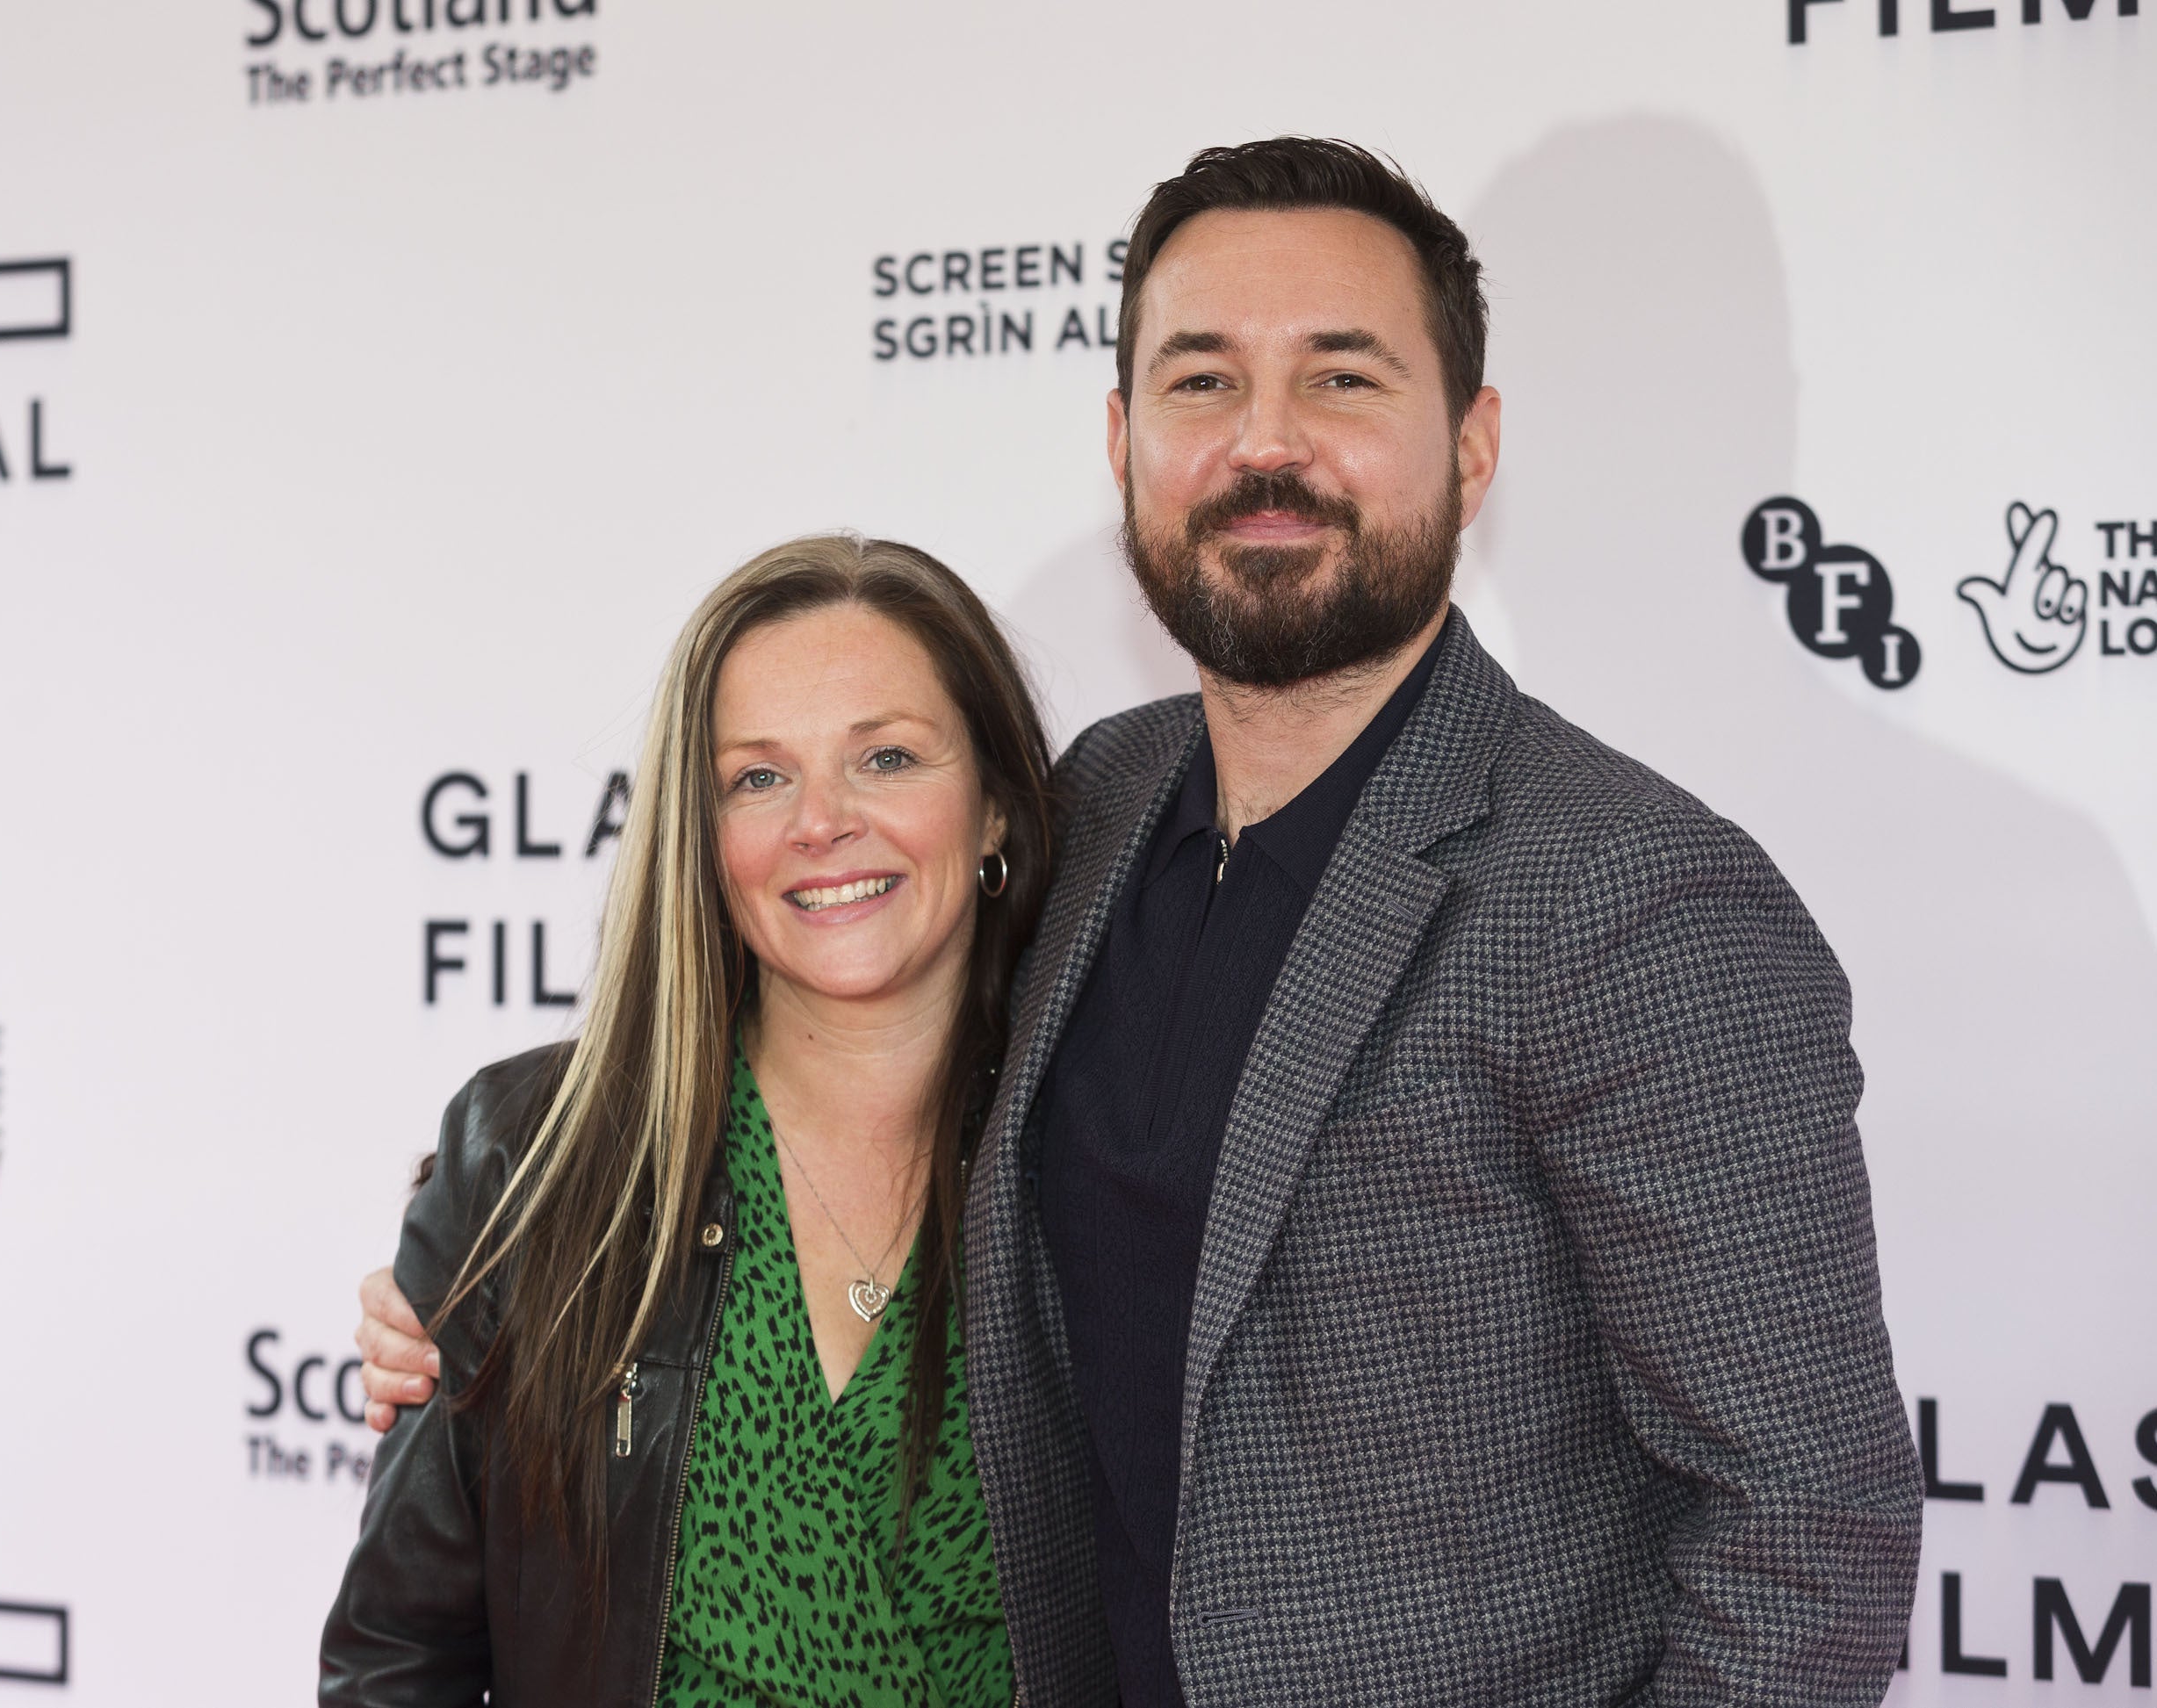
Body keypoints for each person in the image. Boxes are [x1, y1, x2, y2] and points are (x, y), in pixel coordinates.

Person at [355, 140, 1923, 1704]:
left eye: (1342, 380)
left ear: (1474, 439)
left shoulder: (1632, 899)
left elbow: (1807, 1530)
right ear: (1120, 440)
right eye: (1198, 383)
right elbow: (837, 1039)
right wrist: (502, 1223)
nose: (1264, 444)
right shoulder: (1100, 806)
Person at [319, 534, 1054, 1705]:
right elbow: (398, 1662)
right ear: (702, 838)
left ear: (996, 812)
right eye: (757, 777)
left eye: (888, 756)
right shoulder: (534, 1160)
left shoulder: (1100, 1160)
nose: (821, 820)